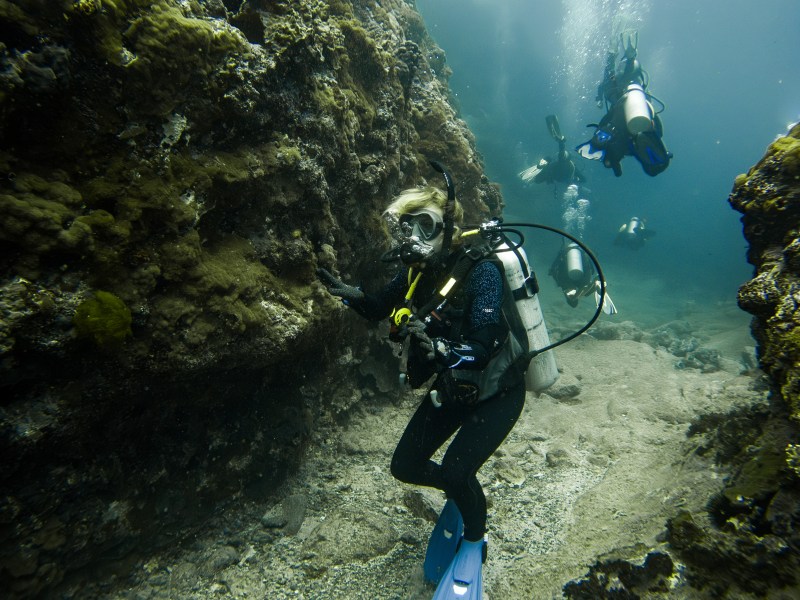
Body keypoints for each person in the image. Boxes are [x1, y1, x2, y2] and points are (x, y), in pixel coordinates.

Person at [317, 176, 528, 599]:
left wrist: (444, 347)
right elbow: (380, 307)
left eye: (426, 226)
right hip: (454, 388)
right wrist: (346, 293)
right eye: (407, 226)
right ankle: (462, 491)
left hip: (499, 392)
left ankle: (474, 540)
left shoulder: (482, 272)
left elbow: (486, 346)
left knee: (454, 470)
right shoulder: (416, 274)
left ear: (449, 230)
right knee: (406, 466)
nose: (413, 237)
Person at [576, 31, 671, 177]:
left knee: (611, 85)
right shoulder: (628, 147)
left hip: (631, 101)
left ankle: (621, 53)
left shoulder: (653, 132)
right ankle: (616, 52)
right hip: (632, 105)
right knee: (609, 87)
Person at [549, 241, 617, 314]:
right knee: (582, 289)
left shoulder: (564, 252)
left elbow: (555, 268)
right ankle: (596, 282)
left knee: (580, 291)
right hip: (583, 273)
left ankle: (595, 283)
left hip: (574, 279)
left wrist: (575, 296)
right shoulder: (577, 252)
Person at [519, 114, 586, 185]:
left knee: (546, 165)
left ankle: (530, 182)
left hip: (553, 176)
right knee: (547, 163)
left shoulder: (568, 166)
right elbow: (561, 154)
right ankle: (530, 182)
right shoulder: (570, 166)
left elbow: (561, 153)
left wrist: (561, 142)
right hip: (554, 177)